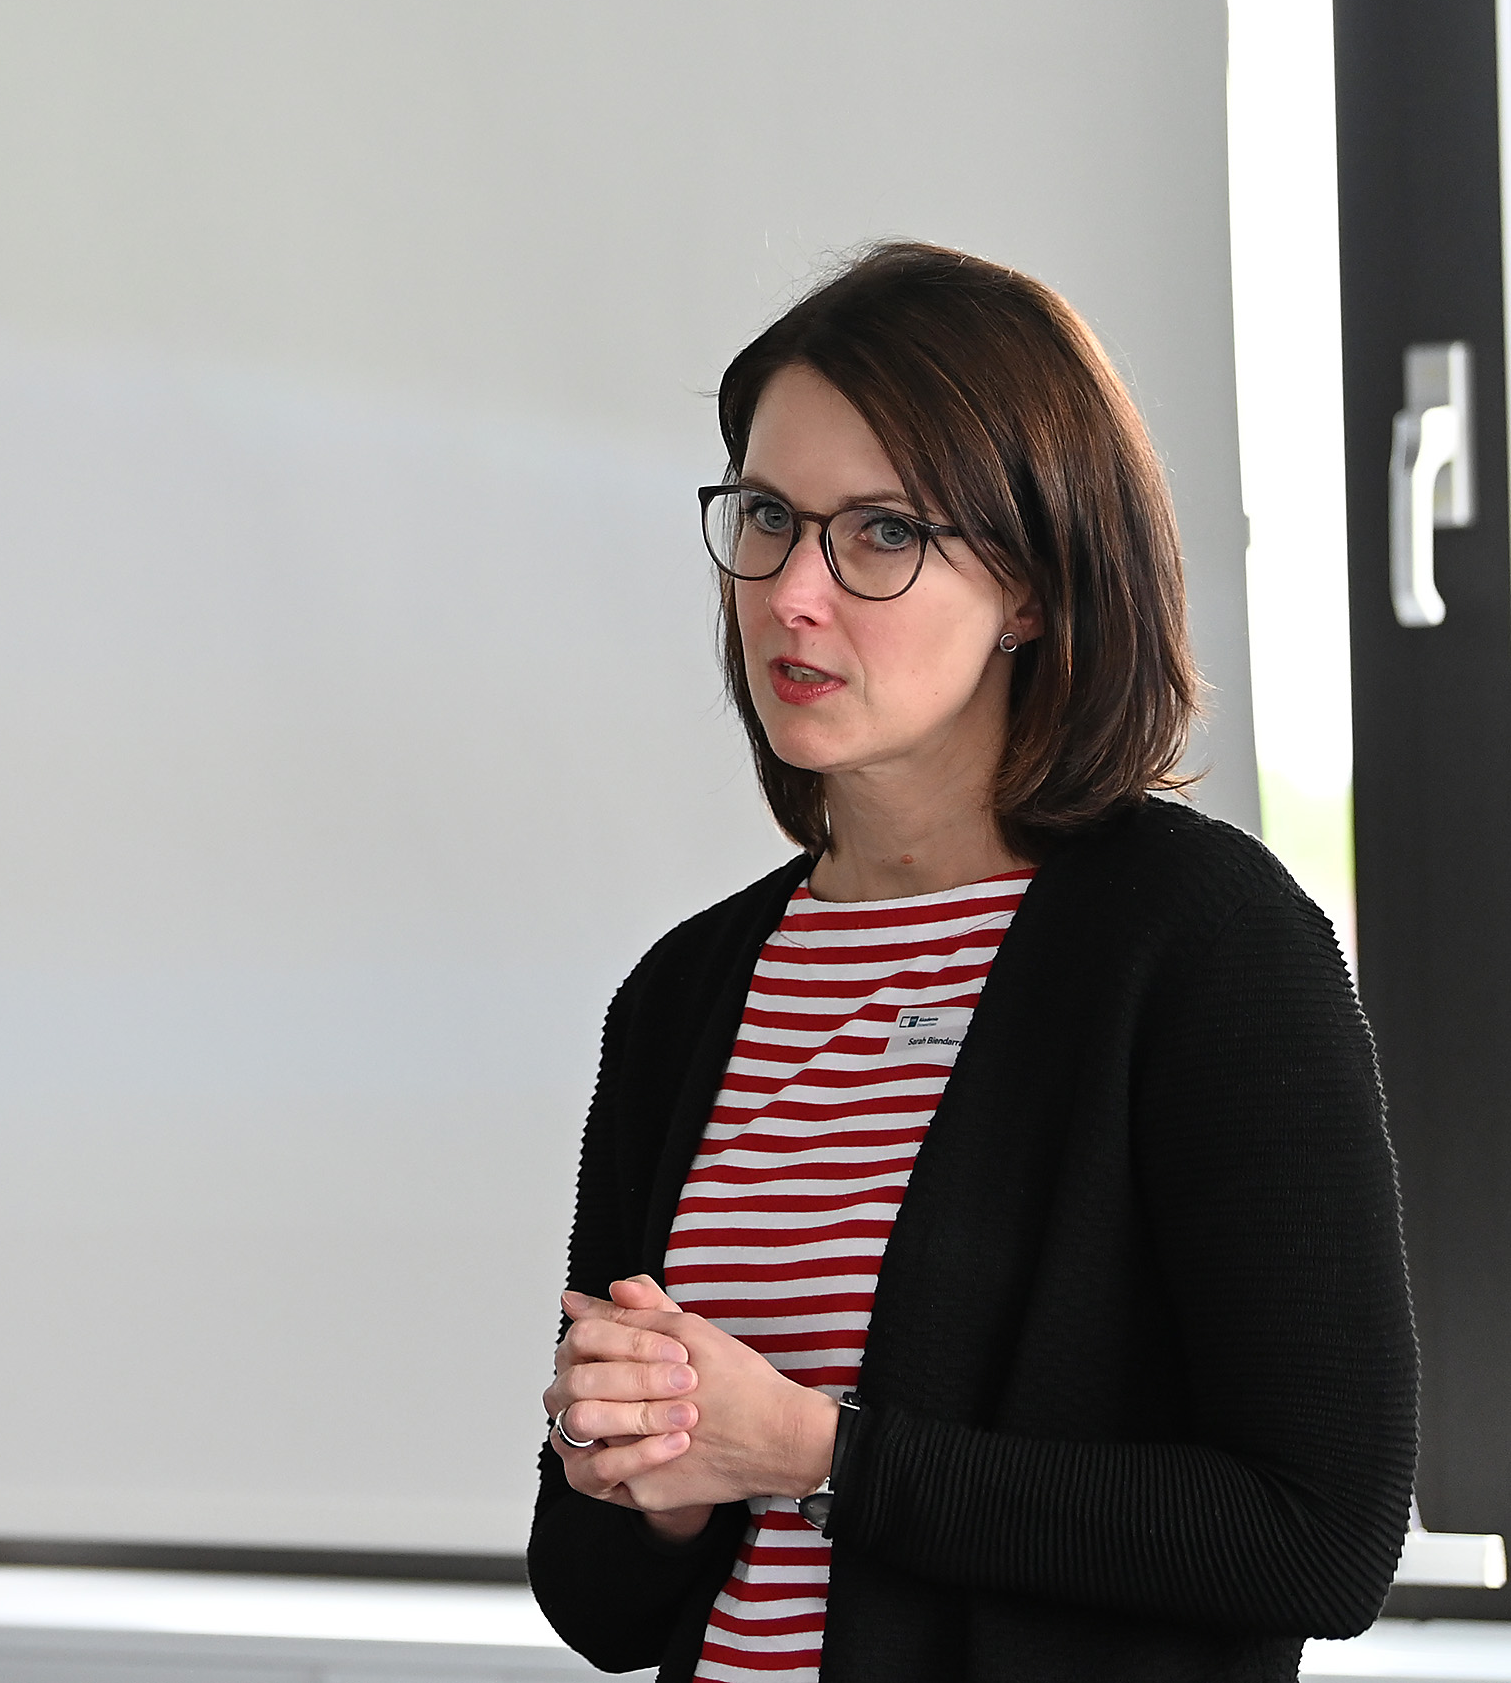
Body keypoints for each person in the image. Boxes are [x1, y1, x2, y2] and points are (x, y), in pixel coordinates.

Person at [528, 242, 1417, 1677]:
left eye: (880, 532)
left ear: (1031, 585)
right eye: (767, 514)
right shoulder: (684, 995)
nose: (791, 591)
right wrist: (649, 1478)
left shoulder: (1204, 943)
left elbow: (1316, 1534)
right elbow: (592, 1601)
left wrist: (818, 1452)